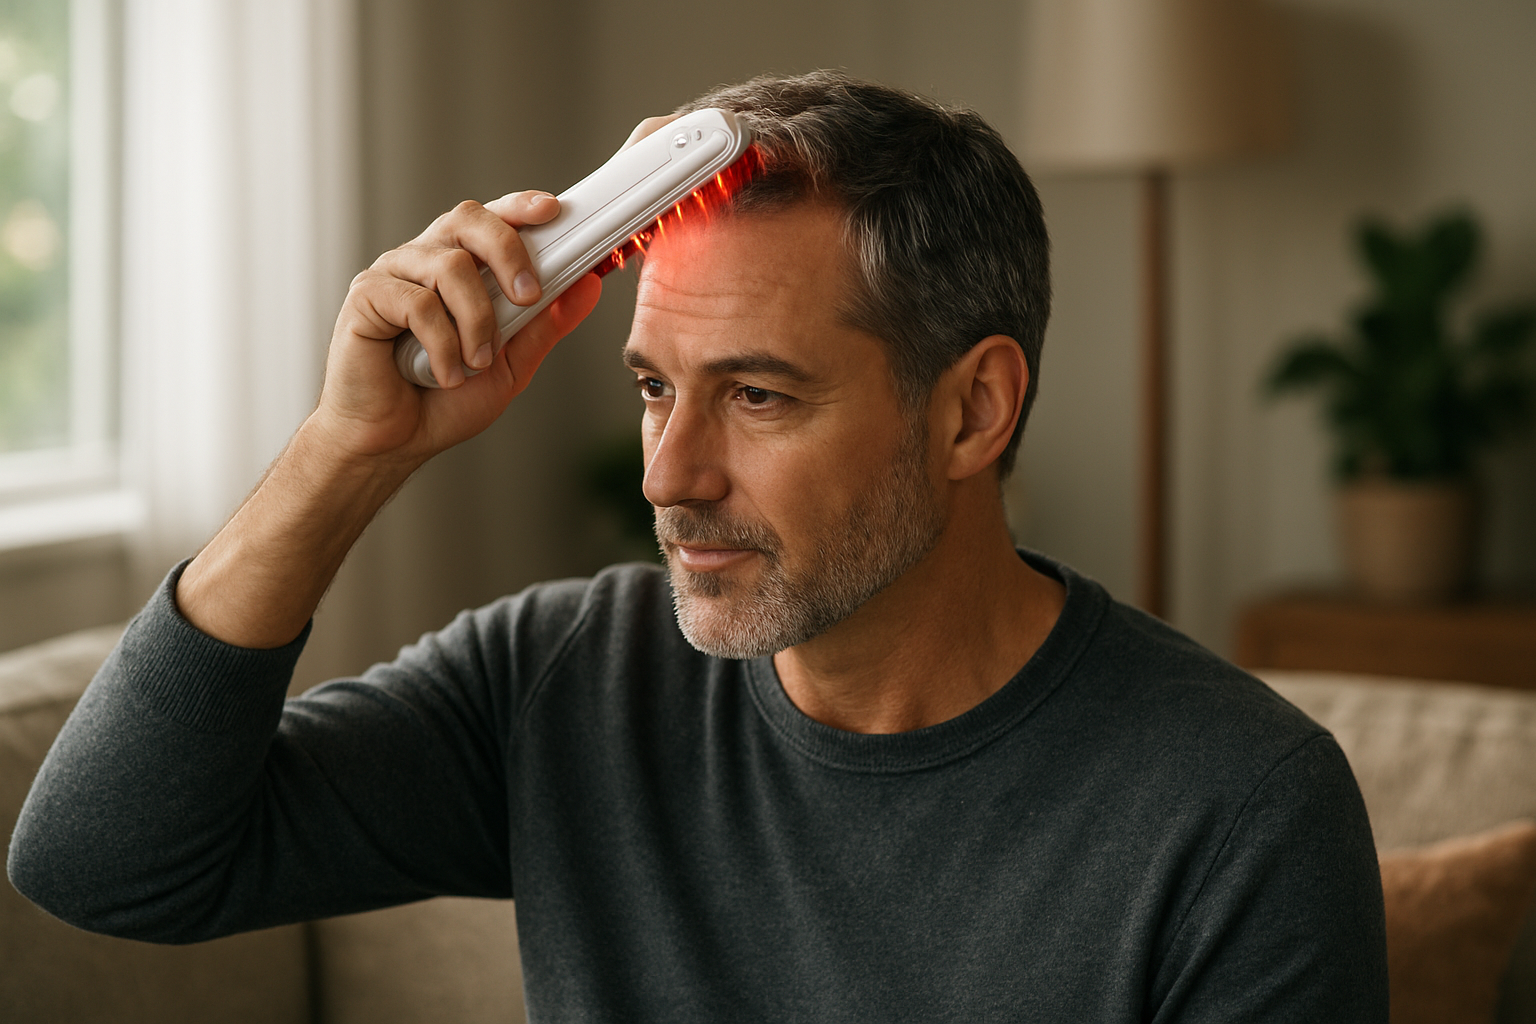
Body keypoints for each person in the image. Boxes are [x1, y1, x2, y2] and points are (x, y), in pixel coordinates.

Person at [9, 71, 1387, 1021]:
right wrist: (348, 449)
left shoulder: (1237, 808)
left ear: (974, 410)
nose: (671, 476)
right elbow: (106, 863)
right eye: (657, 387)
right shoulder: (570, 678)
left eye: (758, 395)